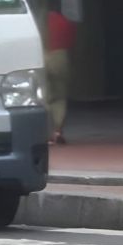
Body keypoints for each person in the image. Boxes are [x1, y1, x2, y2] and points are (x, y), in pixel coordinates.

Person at [45, 8, 76, 144]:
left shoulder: (33, 19)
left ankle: (44, 132)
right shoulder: (63, 21)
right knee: (60, 96)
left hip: (40, 55)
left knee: (42, 96)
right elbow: (71, 40)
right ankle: (57, 131)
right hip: (60, 55)